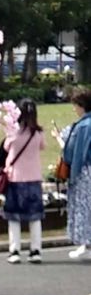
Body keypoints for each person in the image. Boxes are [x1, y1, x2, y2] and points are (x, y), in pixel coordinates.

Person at [2, 98, 46, 264]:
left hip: (15, 178)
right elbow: (43, 146)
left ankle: (15, 250)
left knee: (14, 217)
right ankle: (36, 250)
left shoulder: (12, 133)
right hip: (34, 178)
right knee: (35, 217)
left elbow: (6, 147)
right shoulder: (38, 133)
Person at [61, 86, 91, 260]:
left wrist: (72, 175)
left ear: (81, 105)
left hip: (85, 171)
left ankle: (85, 243)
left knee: (83, 208)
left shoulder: (83, 126)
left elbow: (77, 152)